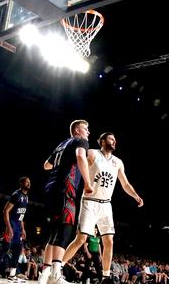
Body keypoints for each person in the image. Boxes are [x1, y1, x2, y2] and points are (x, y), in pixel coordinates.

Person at [62, 132, 144, 284]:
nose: (114, 141)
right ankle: (56, 267)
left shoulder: (118, 162)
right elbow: (77, 161)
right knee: (81, 239)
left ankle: (105, 277)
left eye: (115, 139)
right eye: (111, 139)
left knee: (109, 241)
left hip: (106, 204)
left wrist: (136, 196)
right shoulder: (93, 153)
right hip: (89, 201)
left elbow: (125, 184)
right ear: (102, 141)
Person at [39, 120, 94, 284]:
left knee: (54, 233)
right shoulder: (81, 141)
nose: (88, 132)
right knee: (64, 231)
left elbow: (46, 166)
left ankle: (45, 274)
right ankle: (56, 275)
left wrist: (62, 162)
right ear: (77, 130)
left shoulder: (62, 144)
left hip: (50, 189)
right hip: (65, 189)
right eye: (86, 128)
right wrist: (88, 182)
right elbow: (80, 156)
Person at [0, 177, 31, 283]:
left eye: (30, 182)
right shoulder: (16, 194)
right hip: (11, 225)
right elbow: (6, 211)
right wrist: (9, 227)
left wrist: (23, 229)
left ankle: (12, 275)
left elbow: (21, 215)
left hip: (18, 227)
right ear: (21, 183)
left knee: (18, 250)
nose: (29, 184)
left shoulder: (26, 197)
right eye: (27, 182)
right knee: (5, 248)